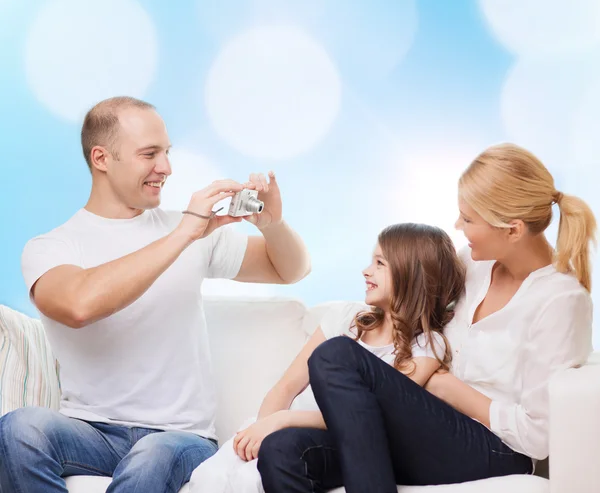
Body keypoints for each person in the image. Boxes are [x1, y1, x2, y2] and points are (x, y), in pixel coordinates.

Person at [0, 96, 311, 493]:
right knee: (20, 428)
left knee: (151, 457)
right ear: (102, 158)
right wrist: (182, 233)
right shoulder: (51, 247)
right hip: (91, 432)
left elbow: (291, 269)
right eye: (150, 154)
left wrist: (274, 224)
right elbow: (79, 305)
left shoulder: (194, 232)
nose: (165, 167)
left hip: (181, 439)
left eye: (166, 152)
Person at [258, 143, 596, 493]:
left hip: (493, 448)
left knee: (335, 355)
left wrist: (448, 388)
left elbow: (537, 436)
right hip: (424, 426)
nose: (457, 225)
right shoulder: (472, 264)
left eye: (468, 219)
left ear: (512, 229)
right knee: (281, 451)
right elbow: (412, 295)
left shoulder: (561, 301)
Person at [188, 222, 466, 493]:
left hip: (330, 441)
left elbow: (369, 418)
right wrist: (264, 427)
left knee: (282, 452)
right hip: (279, 428)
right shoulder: (346, 319)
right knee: (224, 477)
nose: (366, 271)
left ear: (411, 273)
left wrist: (284, 421)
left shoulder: (427, 346)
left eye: (380, 264)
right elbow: (285, 387)